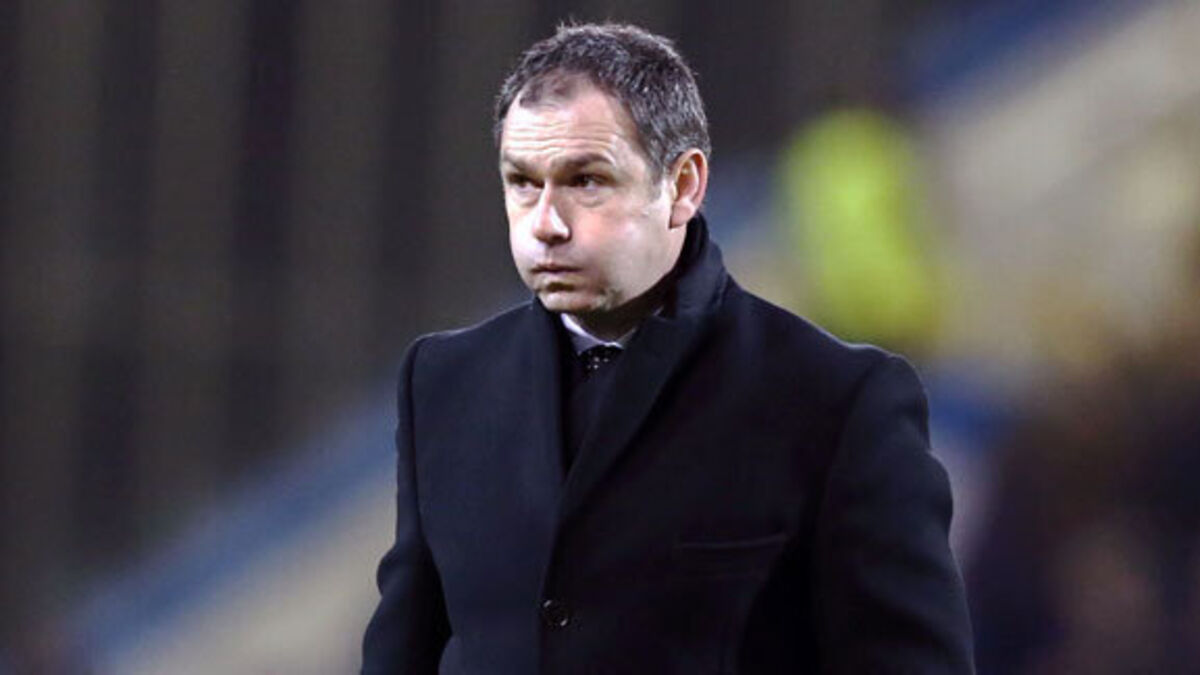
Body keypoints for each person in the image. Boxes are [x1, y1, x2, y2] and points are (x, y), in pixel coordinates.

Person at [362, 22, 974, 674]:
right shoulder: (442, 382)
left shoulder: (842, 402)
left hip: (883, 320)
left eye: (586, 181)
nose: (546, 224)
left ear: (683, 186)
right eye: (522, 182)